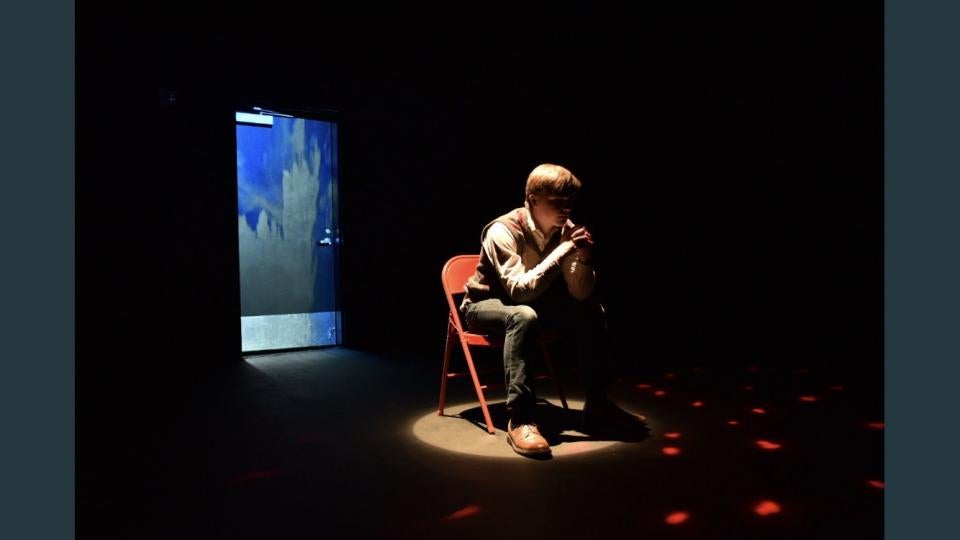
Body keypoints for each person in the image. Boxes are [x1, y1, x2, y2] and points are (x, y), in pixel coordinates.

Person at [460, 163, 647, 456]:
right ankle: (520, 418)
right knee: (523, 315)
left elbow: (580, 292)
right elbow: (518, 291)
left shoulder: (565, 230)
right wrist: (562, 251)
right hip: (484, 305)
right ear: (533, 199)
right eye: (558, 202)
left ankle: (597, 404)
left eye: (570, 201)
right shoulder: (502, 230)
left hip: (529, 304)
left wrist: (583, 257)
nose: (567, 209)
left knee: (590, 310)